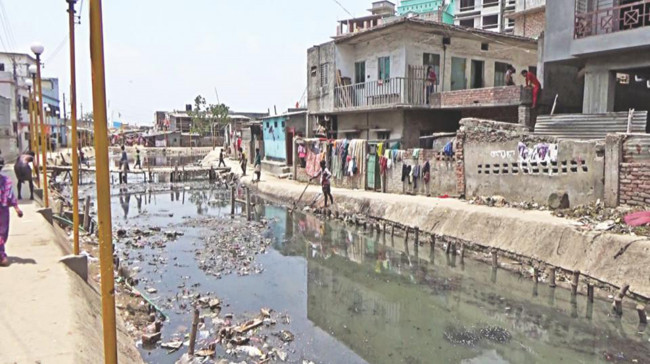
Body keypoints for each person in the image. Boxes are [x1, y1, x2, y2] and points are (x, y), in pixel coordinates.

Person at [0, 157, 23, 266]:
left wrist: (16, 207)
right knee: (1, 234)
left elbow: (11, 195)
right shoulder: (6, 180)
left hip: (3, 209)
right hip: (3, 210)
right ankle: (2, 254)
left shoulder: (6, 181)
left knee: (3, 233)